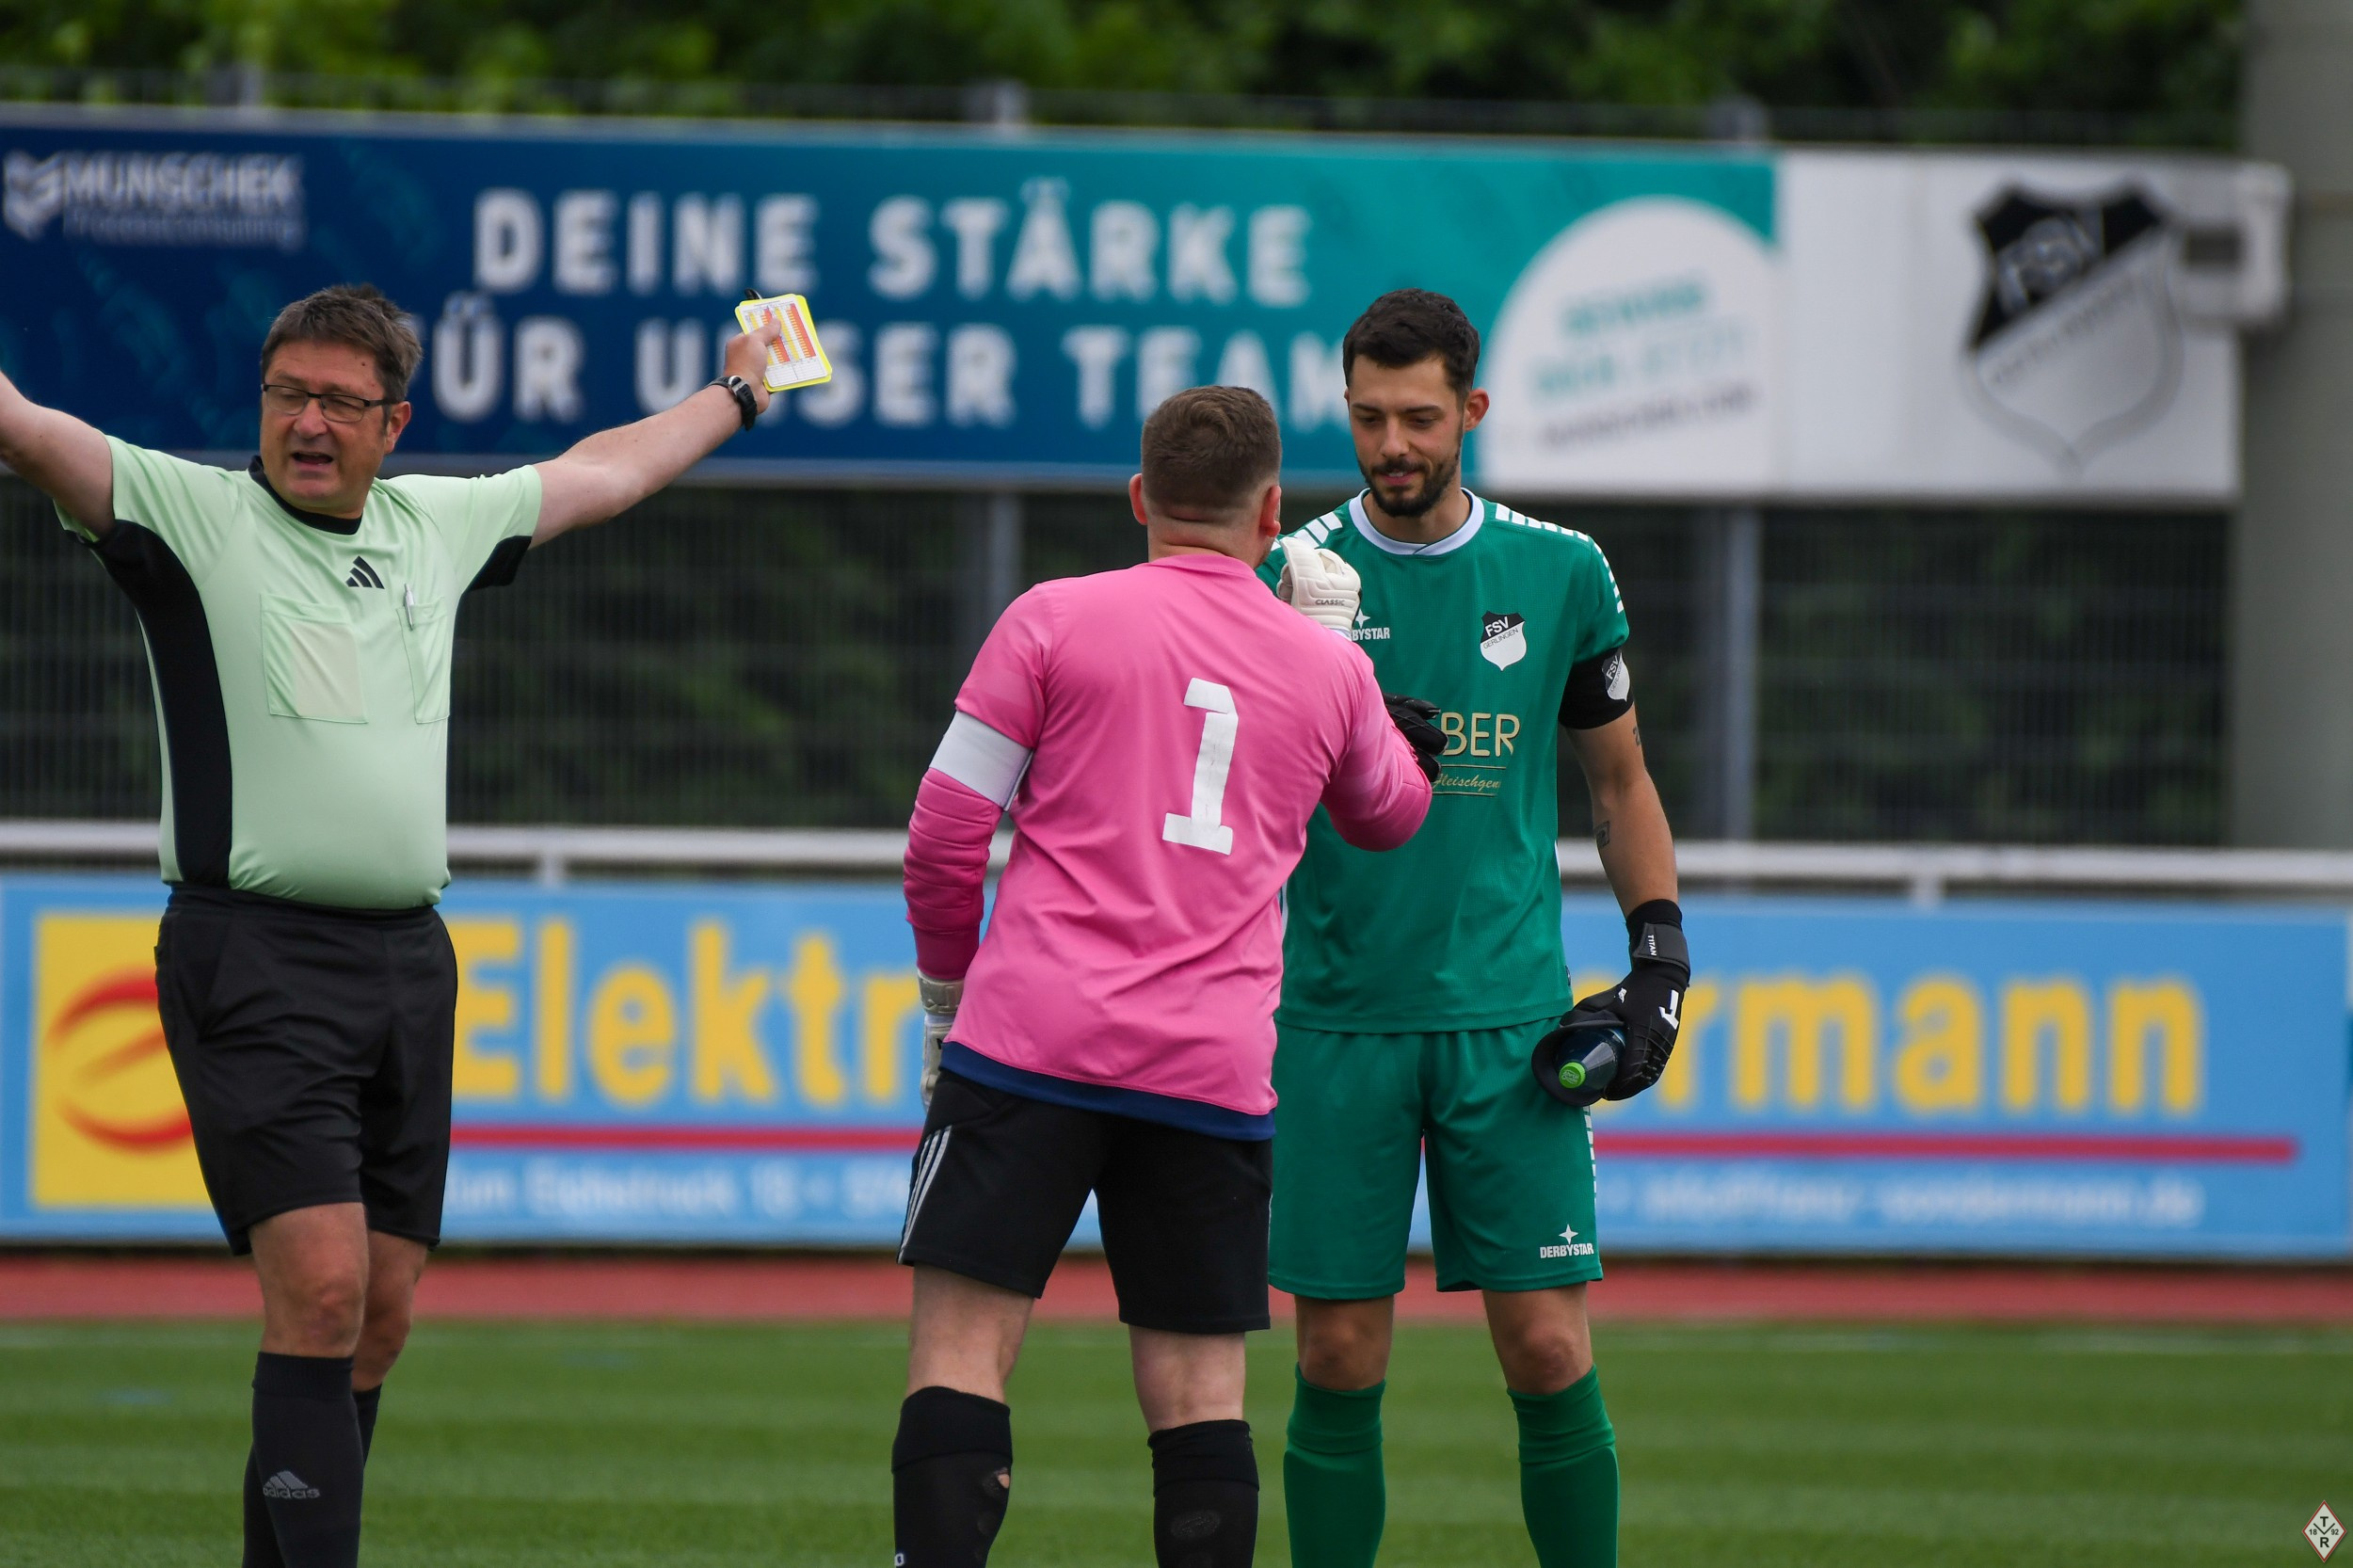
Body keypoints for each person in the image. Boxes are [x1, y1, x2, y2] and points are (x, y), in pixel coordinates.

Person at [0, 282, 785, 1568]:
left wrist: (739, 391)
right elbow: (28, 430)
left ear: (393, 422)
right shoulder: (188, 513)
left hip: (409, 964)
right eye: (287, 395)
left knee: (376, 1315)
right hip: (253, 954)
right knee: (319, 1290)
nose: (307, 422)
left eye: (338, 401)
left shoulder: (437, 525)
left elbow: (609, 473)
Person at [894, 385, 1438, 1567]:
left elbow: (942, 837)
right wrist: (1346, 665)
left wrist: (946, 1000)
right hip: (1208, 1069)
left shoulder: (1050, 618)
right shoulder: (1326, 667)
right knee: (1199, 1396)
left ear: (1141, 497)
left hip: (1028, 1045)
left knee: (961, 1355)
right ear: (1271, 512)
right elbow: (1391, 814)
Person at [1258, 290, 1689, 1568]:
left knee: (1548, 1347)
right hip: (1332, 1019)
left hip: (1508, 1024)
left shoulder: (1562, 571)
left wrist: (1660, 954)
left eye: (1418, 418)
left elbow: (1620, 785)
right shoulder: (1290, 577)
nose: (1391, 444)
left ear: (1473, 411)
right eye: (1367, 418)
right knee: (1337, 1353)